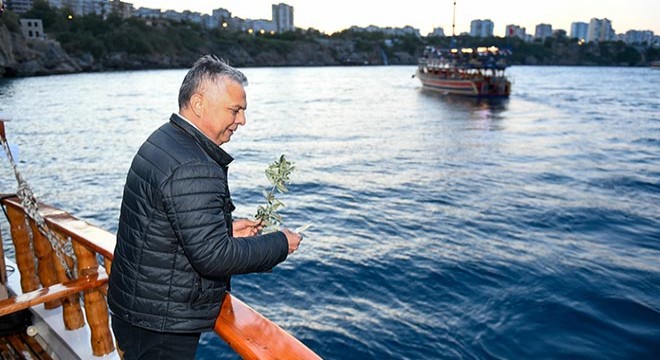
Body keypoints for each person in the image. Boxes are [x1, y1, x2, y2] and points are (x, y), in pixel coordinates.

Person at [107, 55, 303, 359]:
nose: (242, 121)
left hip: (137, 309)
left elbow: (165, 227)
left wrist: (226, 230)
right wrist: (280, 243)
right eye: (235, 110)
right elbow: (213, 257)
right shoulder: (194, 165)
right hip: (162, 323)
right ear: (199, 104)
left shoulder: (164, 140)